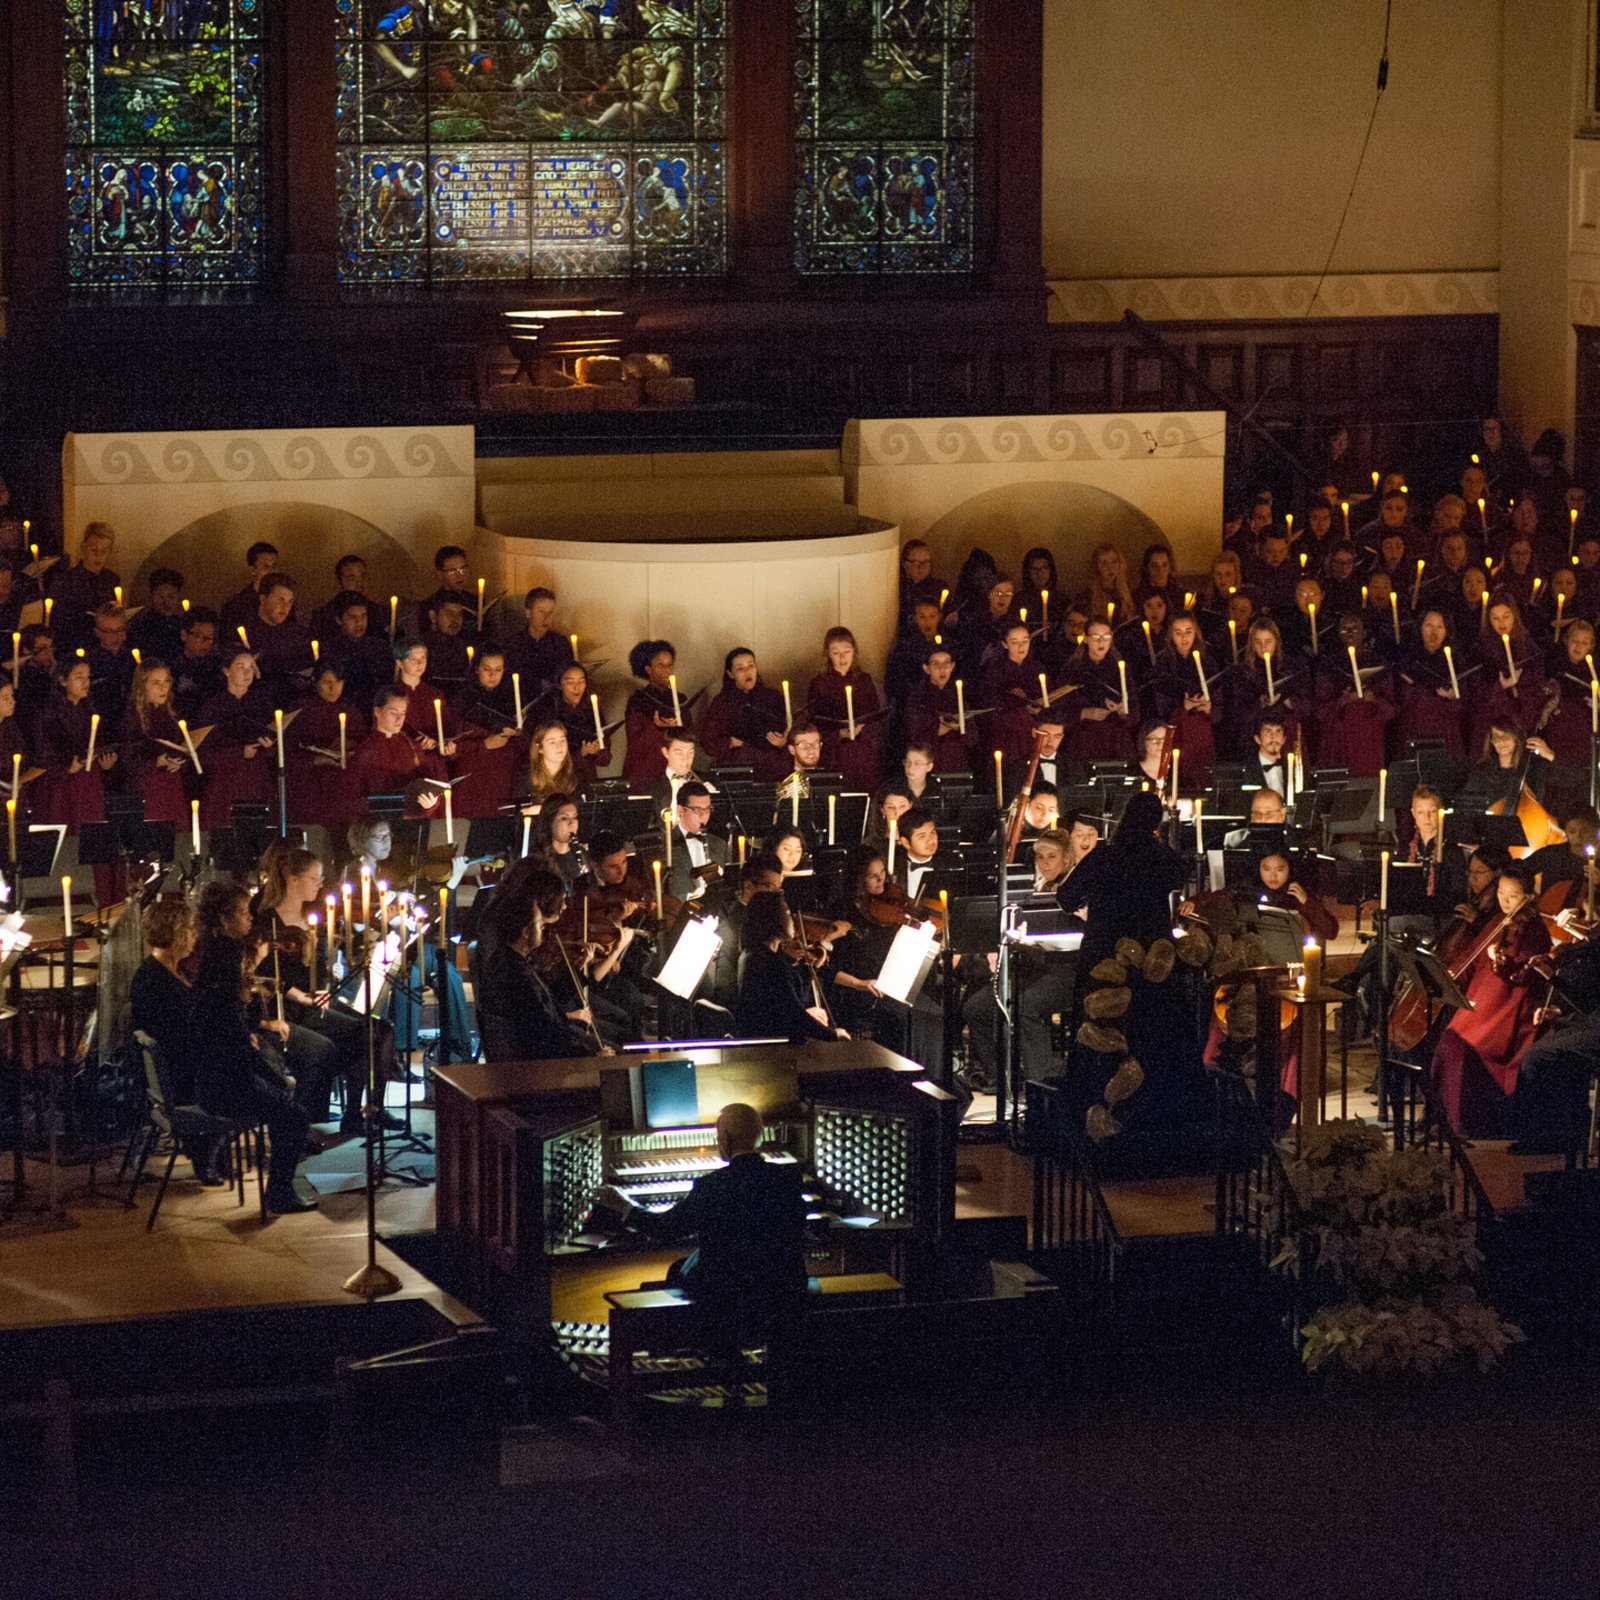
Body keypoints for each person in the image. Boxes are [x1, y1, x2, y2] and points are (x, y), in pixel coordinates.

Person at [592, 1102, 807, 1339]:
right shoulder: (788, 1178)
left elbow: (666, 1229)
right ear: (759, 1137)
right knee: (694, 1263)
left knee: (680, 1270)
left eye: (717, 1136)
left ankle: (703, 1346)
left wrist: (625, 1206)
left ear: (724, 1137)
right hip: (784, 1285)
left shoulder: (711, 1186)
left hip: (727, 1295)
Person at [189, 880, 315, 1214]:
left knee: (282, 1098)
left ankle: (278, 1186)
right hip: (226, 1077)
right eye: (243, 913)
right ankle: (280, 1193)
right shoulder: (228, 956)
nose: (249, 920)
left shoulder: (213, 951)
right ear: (223, 918)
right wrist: (260, 1058)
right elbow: (229, 1024)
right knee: (295, 1117)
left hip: (213, 1072)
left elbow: (227, 1017)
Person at [1430, 865, 1551, 1137]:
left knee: (1464, 1048)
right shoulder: (1497, 920)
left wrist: (1502, 962)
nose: (1505, 901)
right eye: (1500, 892)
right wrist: (1453, 973)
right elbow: (1471, 956)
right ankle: (1445, 1117)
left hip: (1508, 1008)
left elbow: (1522, 974)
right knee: (1449, 1040)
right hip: (1480, 1002)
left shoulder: (1532, 929)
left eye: (1513, 895)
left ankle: (1464, 1122)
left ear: (1529, 897)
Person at [129, 898, 217, 1183]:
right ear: (177, 933)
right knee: (248, 1078)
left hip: (182, 1067)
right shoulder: (154, 979)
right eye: (190, 931)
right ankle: (209, 1151)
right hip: (179, 1079)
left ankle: (214, 1151)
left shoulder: (168, 970)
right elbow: (177, 1038)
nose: (195, 937)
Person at [477, 866, 595, 1061]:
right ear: (525, 931)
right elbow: (545, 1036)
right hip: (537, 1067)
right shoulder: (517, 974)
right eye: (540, 926)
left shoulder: (508, 960)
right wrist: (593, 1057)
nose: (544, 930)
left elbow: (545, 1007)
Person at [734, 889, 847, 1041]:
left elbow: (792, 1000)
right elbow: (796, 1016)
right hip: (778, 1049)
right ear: (773, 919)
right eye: (787, 914)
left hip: (768, 1041)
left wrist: (812, 969)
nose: (793, 920)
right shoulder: (771, 962)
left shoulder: (751, 955)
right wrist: (833, 1034)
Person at [807, 627, 883, 794]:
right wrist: (839, 734)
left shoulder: (864, 680)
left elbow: (876, 716)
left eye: (847, 651)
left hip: (863, 751)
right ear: (828, 654)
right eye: (836, 653)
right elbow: (814, 722)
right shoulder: (819, 683)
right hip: (835, 752)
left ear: (854, 652)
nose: (842, 658)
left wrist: (862, 729)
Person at [699, 647, 790, 784]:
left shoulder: (773, 696)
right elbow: (708, 740)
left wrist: (783, 740)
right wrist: (730, 742)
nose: (747, 672)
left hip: (773, 766)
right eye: (740, 668)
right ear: (730, 674)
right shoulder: (722, 702)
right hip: (738, 767)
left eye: (751, 666)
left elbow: (789, 727)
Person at [623, 638, 691, 788]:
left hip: (673, 768)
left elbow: (690, 737)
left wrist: (678, 727)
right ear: (648, 669)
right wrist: (656, 727)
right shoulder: (637, 700)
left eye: (670, 665)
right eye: (661, 665)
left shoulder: (680, 699)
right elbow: (634, 743)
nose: (667, 670)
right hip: (644, 770)